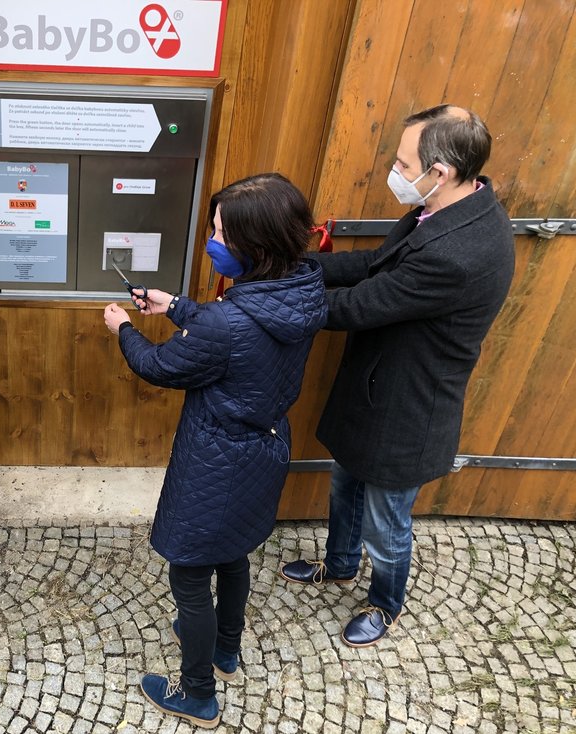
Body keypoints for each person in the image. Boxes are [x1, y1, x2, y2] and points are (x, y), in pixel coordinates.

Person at [279, 105, 515, 647]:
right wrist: (297, 266)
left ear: (441, 171)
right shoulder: (446, 207)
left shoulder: (456, 253)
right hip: (378, 385)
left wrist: (273, 299)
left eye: (404, 162)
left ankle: (385, 604)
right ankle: (339, 566)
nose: (394, 169)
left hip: (408, 405)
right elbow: (376, 265)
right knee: (345, 483)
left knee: (387, 524)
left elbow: (361, 304)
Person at [104, 173, 328, 728]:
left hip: (216, 462)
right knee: (232, 556)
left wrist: (125, 328)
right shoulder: (301, 289)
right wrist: (176, 305)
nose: (212, 238)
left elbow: (160, 366)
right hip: (265, 449)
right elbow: (240, 328)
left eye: (221, 232)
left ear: (256, 244)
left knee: (188, 576)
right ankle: (226, 650)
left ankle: (198, 692)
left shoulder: (229, 321)